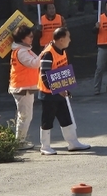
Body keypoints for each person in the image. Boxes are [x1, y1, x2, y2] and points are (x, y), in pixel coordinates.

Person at [38, 27, 90, 155]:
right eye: (68, 37)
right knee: (47, 119)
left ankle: (73, 142)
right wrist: (55, 89)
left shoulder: (62, 50)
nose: (70, 40)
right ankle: (45, 146)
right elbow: (44, 74)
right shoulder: (48, 53)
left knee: (66, 117)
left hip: (60, 91)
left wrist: (65, 87)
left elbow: (63, 71)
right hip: (48, 94)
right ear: (61, 40)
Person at [9, 25, 39, 150]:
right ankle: (19, 142)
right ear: (23, 38)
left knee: (25, 115)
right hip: (22, 88)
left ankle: (20, 140)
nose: (32, 38)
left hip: (22, 86)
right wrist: (45, 54)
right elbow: (33, 63)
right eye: (30, 36)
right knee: (24, 116)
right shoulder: (21, 51)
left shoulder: (22, 50)